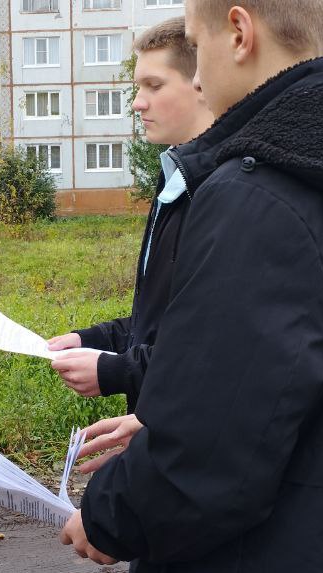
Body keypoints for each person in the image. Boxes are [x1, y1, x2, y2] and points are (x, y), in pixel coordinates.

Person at [60, 0, 323, 573]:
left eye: (195, 41)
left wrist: (114, 513)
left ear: (238, 33)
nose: (199, 74)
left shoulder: (257, 195)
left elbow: (211, 454)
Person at [47, 17, 214, 412]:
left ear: (202, 85)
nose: (138, 102)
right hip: (163, 423)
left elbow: (218, 350)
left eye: (154, 86)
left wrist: (117, 371)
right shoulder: (176, 175)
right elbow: (163, 319)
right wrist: (93, 339)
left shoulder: (220, 190)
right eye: (138, 87)